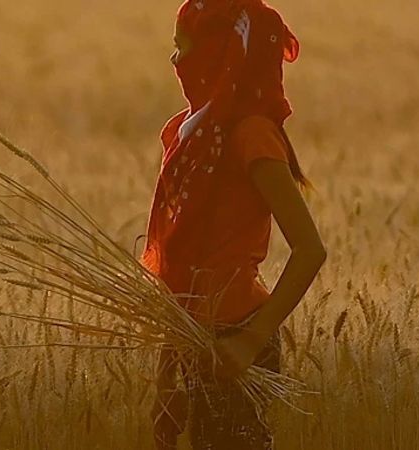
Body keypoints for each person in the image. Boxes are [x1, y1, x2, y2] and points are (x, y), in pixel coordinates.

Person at [141, 0, 326, 449]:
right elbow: (178, 268)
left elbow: (310, 251)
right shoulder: (185, 134)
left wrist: (250, 341)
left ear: (220, 54)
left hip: (236, 337)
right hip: (191, 338)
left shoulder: (252, 135)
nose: (176, 61)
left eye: (183, 47)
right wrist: (167, 377)